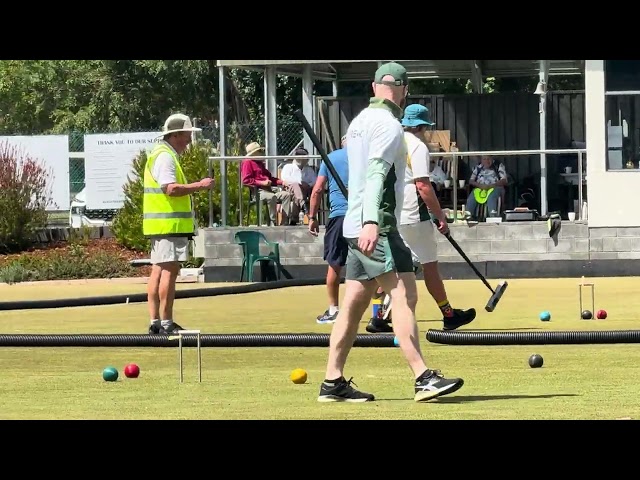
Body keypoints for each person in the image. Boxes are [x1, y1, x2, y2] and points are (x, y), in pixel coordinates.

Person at [317, 62, 464, 404]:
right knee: (404, 295)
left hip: (354, 226)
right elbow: (376, 174)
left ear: (373, 87)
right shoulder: (389, 125)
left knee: (353, 305)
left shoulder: (357, 123)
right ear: (405, 90)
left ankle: (332, 381)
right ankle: (422, 376)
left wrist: (363, 221)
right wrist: (372, 221)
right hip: (377, 224)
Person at [397, 103, 476, 330]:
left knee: (393, 269)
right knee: (429, 266)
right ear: (422, 126)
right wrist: (440, 215)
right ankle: (448, 315)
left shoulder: (391, 142)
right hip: (415, 214)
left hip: (393, 213)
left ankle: (378, 315)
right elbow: (422, 185)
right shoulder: (417, 147)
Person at [143, 113, 214, 335]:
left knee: (158, 271)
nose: (190, 141)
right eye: (187, 135)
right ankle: (165, 323)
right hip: (169, 226)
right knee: (168, 272)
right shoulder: (165, 157)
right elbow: (170, 189)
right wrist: (200, 186)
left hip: (161, 226)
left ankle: (156, 323)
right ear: (176, 135)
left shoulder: (160, 154)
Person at [308, 135, 349, 324]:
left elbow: (317, 189)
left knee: (334, 263)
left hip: (339, 216)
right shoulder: (366, 156)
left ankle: (334, 309)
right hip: (364, 216)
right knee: (372, 263)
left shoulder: (331, 157)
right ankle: (378, 309)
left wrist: (312, 217)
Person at [240, 142, 297, 225]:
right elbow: (246, 180)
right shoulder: (247, 163)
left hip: (269, 189)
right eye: (259, 151)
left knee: (286, 195)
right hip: (258, 192)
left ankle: (284, 222)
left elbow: (271, 179)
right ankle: (272, 222)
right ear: (254, 153)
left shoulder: (260, 164)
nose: (262, 153)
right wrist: (262, 183)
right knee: (272, 197)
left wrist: (282, 182)